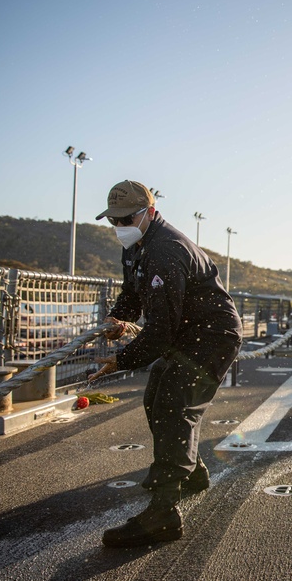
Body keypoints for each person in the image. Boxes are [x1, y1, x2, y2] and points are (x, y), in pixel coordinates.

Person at [89, 180, 243, 548]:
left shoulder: (164, 250)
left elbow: (159, 330)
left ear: (150, 212)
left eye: (126, 218)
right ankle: (192, 474)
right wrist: (117, 318)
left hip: (211, 337)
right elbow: (132, 293)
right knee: (155, 396)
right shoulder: (137, 247)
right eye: (113, 220)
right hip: (188, 334)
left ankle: (163, 512)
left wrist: (120, 361)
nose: (119, 226)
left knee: (174, 406)